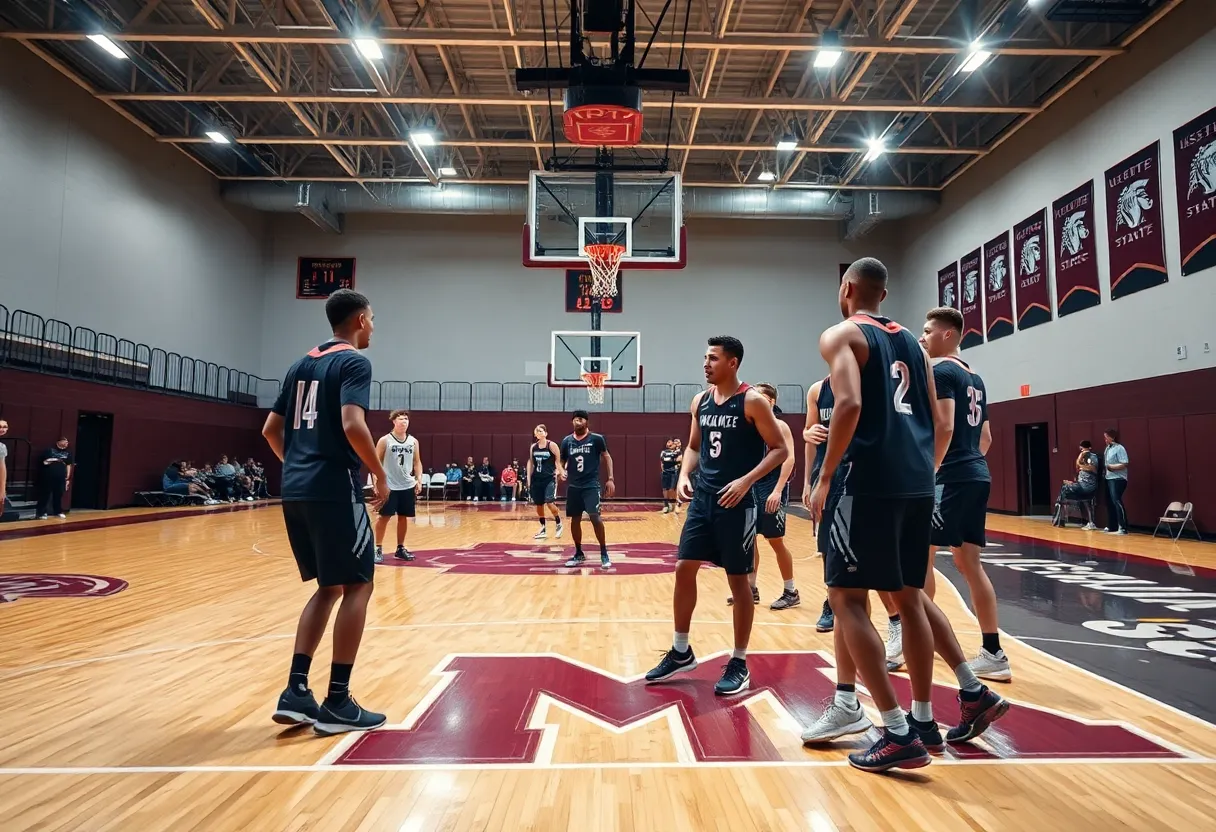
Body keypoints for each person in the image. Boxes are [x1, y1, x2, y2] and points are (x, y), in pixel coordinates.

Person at [805, 258, 944, 773]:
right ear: (882, 294)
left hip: (866, 482)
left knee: (845, 598)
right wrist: (924, 470)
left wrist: (824, 477)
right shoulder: (916, 345)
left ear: (846, 288)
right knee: (909, 598)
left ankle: (896, 731)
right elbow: (937, 418)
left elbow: (848, 404)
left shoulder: (840, 334)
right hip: (917, 481)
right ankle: (924, 719)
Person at [262, 288, 389, 737]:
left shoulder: (300, 364)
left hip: (295, 489)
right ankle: (337, 701)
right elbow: (353, 424)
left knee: (329, 586)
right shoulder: (354, 362)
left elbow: (270, 430)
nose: (373, 327)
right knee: (360, 585)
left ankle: (296, 691)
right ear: (359, 320)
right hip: (334, 487)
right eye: (372, 319)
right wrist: (378, 475)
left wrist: (298, 468)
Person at [645, 336, 790, 697]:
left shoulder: (752, 401)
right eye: (705, 357)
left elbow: (779, 449)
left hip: (737, 503)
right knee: (684, 567)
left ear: (733, 362)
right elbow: (694, 446)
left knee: (739, 583)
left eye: (713, 358)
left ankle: (739, 661)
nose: (705, 364)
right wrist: (684, 474)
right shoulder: (701, 401)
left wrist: (746, 481)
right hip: (703, 500)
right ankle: (681, 651)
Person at [920, 306, 1009, 682]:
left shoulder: (941, 371)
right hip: (976, 473)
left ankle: (918, 639)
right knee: (970, 564)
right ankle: (993, 652)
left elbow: (944, 426)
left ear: (947, 335)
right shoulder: (975, 376)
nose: (922, 337)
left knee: (919, 558)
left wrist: (932, 470)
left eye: (928, 331)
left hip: (950, 478)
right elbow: (985, 437)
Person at [729, 383, 800, 610]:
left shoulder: (780, 425)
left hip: (772, 487)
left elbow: (789, 459)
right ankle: (751, 588)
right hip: (752, 488)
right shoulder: (750, 426)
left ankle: (791, 591)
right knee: (749, 540)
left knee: (775, 541)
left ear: (771, 402)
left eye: (760, 396)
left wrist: (778, 490)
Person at [559, 410, 615, 569]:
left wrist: (610, 479)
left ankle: (604, 552)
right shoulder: (567, 441)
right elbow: (562, 461)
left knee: (595, 517)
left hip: (591, 485)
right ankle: (578, 553)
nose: (578, 422)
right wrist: (560, 470)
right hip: (574, 486)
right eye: (575, 419)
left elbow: (607, 456)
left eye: (581, 419)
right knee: (575, 520)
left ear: (586, 422)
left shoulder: (596, 439)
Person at [802, 376, 835, 632]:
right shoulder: (817, 390)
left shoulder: (867, 382)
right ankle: (831, 601)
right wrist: (807, 481)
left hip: (859, 474)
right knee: (826, 545)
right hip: (825, 476)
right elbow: (810, 437)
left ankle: (894, 615)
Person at [373, 409, 422, 563]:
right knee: (384, 517)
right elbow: (375, 462)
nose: (404, 422)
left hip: (407, 485)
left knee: (403, 517)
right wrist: (376, 482)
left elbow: (417, 462)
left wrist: (419, 479)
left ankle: (400, 548)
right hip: (389, 485)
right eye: (400, 419)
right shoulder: (385, 440)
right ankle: (377, 548)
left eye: (406, 419)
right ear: (394, 421)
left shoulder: (413, 441)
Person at [527, 425, 565, 539]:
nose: (539, 432)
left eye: (541, 430)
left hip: (549, 479)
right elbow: (531, 463)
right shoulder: (533, 447)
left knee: (549, 502)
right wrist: (529, 479)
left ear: (546, 433)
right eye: (537, 431)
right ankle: (543, 528)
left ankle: (558, 523)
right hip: (536, 479)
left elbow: (558, 461)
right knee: (539, 504)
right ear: (535, 434)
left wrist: (560, 472)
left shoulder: (552, 445)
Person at [1054, 441, 1100, 529]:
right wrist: (1073, 482)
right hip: (1080, 484)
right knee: (1065, 487)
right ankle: (1062, 519)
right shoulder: (1081, 457)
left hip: (1088, 486)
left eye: (1083, 448)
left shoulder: (1092, 456)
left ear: (1089, 448)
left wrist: (1081, 465)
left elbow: (1093, 469)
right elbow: (1077, 468)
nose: (1082, 450)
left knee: (1065, 489)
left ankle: (1060, 520)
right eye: (1081, 449)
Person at [35, 437, 74, 519]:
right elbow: (44, 461)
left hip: (60, 477)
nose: (66, 443)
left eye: (67, 442)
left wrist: (67, 477)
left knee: (58, 494)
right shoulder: (49, 450)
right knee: (45, 494)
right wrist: (54, 460)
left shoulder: (68, 453)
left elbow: (69, 465)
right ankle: (41, 512)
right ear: (58, 442)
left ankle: (58, 511)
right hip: (48, 476)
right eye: (64, 441)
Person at [1103, 428, 1129, 535]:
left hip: (1118, 479)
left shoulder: (1119, 448)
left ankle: (1123, 527)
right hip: (1109, 478)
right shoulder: (1107, 449)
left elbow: (1125, 463)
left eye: (1106, 437)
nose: (1105, 439)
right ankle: (1112, 526)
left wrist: (1112, 467)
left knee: (1116, 501)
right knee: (1110, 502)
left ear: (1112, 437)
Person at [659, 438, 680, 513]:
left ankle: (673, 504)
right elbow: (662, 461)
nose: (669, 443)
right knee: (665, 489)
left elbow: (679, 460)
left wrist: (669, 460)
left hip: (673, 472)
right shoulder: (663, 452)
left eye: (671, 442)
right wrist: (663, 469)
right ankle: (666, 505)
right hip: (665, 472)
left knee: (672, 489)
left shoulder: (678, 452)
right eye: (668, 442)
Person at [0, 419, 9, 515]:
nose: (2, 429)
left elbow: (2, 468)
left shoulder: (2, 447)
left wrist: (2, 489)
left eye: (4, 427)